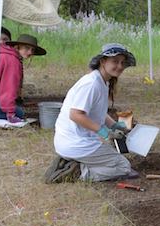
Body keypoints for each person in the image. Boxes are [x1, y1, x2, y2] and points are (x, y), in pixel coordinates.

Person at [45, 43, 138, 183]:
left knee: (116, 160)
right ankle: (78, 173)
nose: (120, 66)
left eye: (122, 63)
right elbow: (75, 115)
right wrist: (105, 133)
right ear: (103, 61)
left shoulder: (103, 82)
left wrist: (115, 126)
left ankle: (76, 163)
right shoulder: (91, 84)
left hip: (77, 142)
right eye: (115, 61)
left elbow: (97, 112)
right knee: (123, 167)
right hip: (75, 143)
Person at [0, 32, 45, 122]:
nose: (30, 52)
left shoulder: (3, 54)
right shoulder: (12, 61)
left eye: (32, 50)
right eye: (26, 48)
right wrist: (10, 114)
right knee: (20, 113)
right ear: (17, 47)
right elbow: (8, 89)